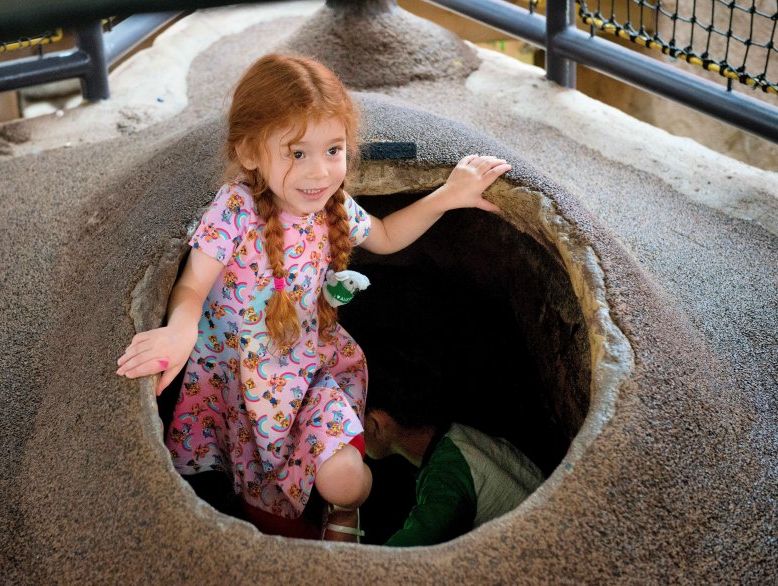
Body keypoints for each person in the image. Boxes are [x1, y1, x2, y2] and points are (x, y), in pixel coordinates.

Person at [116, 53, 511, 541]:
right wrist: (180, 328)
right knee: (248, 490)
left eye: (334, 150)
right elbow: (194, 283)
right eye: (297, 153)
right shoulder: (236, 209)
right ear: (249, 152)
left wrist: (448, 195)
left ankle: (344, 515)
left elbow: (384, 235)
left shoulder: (333, 206)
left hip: (307, 372)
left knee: (345, 480)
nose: (319, 171)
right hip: (236, 379)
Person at [364, 345, 544, 547]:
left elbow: (394, 560)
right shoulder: (459, 436)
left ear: (375, 423)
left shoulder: (446, 475)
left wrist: (343, 519)